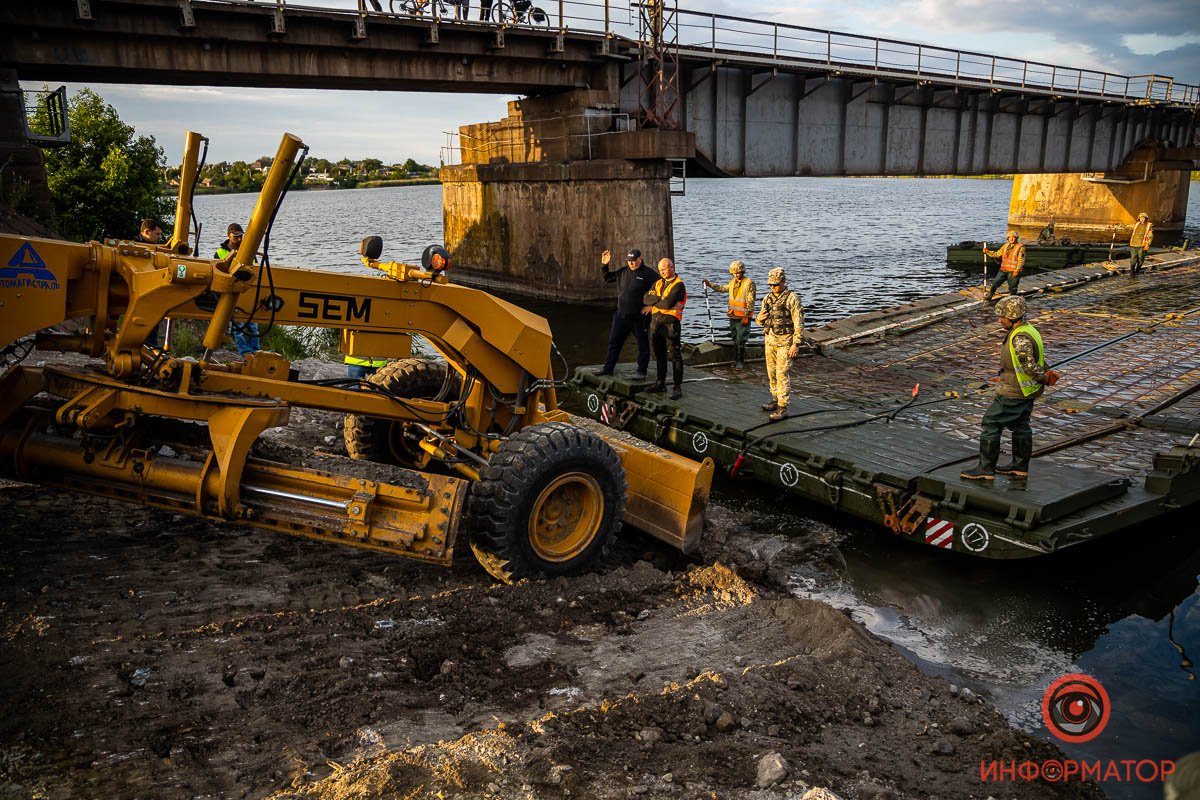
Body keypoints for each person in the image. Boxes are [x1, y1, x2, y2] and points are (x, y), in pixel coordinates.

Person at [961, 295, 1051, 481]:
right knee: (1021, 425)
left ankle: (985, 469)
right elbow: (1039, 359)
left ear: (1013, 316)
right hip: (1028, 390)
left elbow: (1029, 366)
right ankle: (1019, 466)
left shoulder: (1019, 338)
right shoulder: (1030, 330)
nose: (999, 320)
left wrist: (1044, 377)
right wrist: (1046, 375)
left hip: (1014, 392)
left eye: (1002, 316)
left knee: (991, 422)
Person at [599, 248, 658, 379]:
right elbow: (607, 278)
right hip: (621, 316)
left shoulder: (648, 274)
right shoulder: (623, 272)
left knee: (643, 345)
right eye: (630, 261)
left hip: (639, 318)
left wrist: (652, 306)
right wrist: (604, 265)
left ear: (640, 259)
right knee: (614, 343)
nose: (632, 264)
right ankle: (608, 369)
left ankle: (641, 371)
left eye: (634, 261)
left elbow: (661, 288)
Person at [755, 267, 803, 422]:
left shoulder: (791, 298)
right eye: (770, 285)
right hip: (770, 340)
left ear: (783, 282)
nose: (772, 287)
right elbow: (759, 320)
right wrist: (759, 318)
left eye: (775, 284)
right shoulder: (767, 298)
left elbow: (798, 321)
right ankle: (775, 398)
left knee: (782, 373)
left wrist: (796, 343)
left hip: (785, 341)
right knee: (771, 372)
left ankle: (783, 406)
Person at [642, 257, 687, 400]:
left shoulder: (679, 285)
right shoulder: (658, 283)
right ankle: (660, 383)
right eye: (660, 270)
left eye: (664, 269)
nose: (662, 272)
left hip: (670, 325)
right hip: (656, 324)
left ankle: (677, 387)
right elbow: (645, 299)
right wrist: (659, 299)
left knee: (675, 355)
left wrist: (656, 301)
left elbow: (668, 303)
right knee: (659, 355)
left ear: (672, 268)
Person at [215, 223, 261, 355]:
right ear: (228, 235)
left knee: (253, 325)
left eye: (241, 236)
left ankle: (256, 350)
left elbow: (255, 268)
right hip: (232, 290)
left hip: (248, 290)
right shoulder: (219, 252)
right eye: (236, 237)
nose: (239, 239)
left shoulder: (248, 251)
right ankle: (245, 351)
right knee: (238, 326)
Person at [702, 259, 756, 369]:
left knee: (741, 340)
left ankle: (740, 361)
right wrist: (709, 284)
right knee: (735, 339)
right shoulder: (732, 283)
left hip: (743, 317)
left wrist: (746, 316)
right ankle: (735, 359)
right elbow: (722, 288)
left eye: (739, 272)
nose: (737, 275)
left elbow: (751, 301)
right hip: (733, 316)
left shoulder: (749, 283)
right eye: (735, 273)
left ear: (743, 272)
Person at [982, 231, 1026, 301]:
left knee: (1013, 287)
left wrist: (1017, 270)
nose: (1011, 239)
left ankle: (1013, 299)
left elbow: (1021, 261)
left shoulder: (1020, 247)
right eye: (1010, 237)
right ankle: (990, 295)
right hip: (1004, 269)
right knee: (995, 282)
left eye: (1013, 237)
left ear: (1016, 238)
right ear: (1008, 238)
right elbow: (997, 254)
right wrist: (987, 252)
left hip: (1013, 271)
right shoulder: (1005, 246)